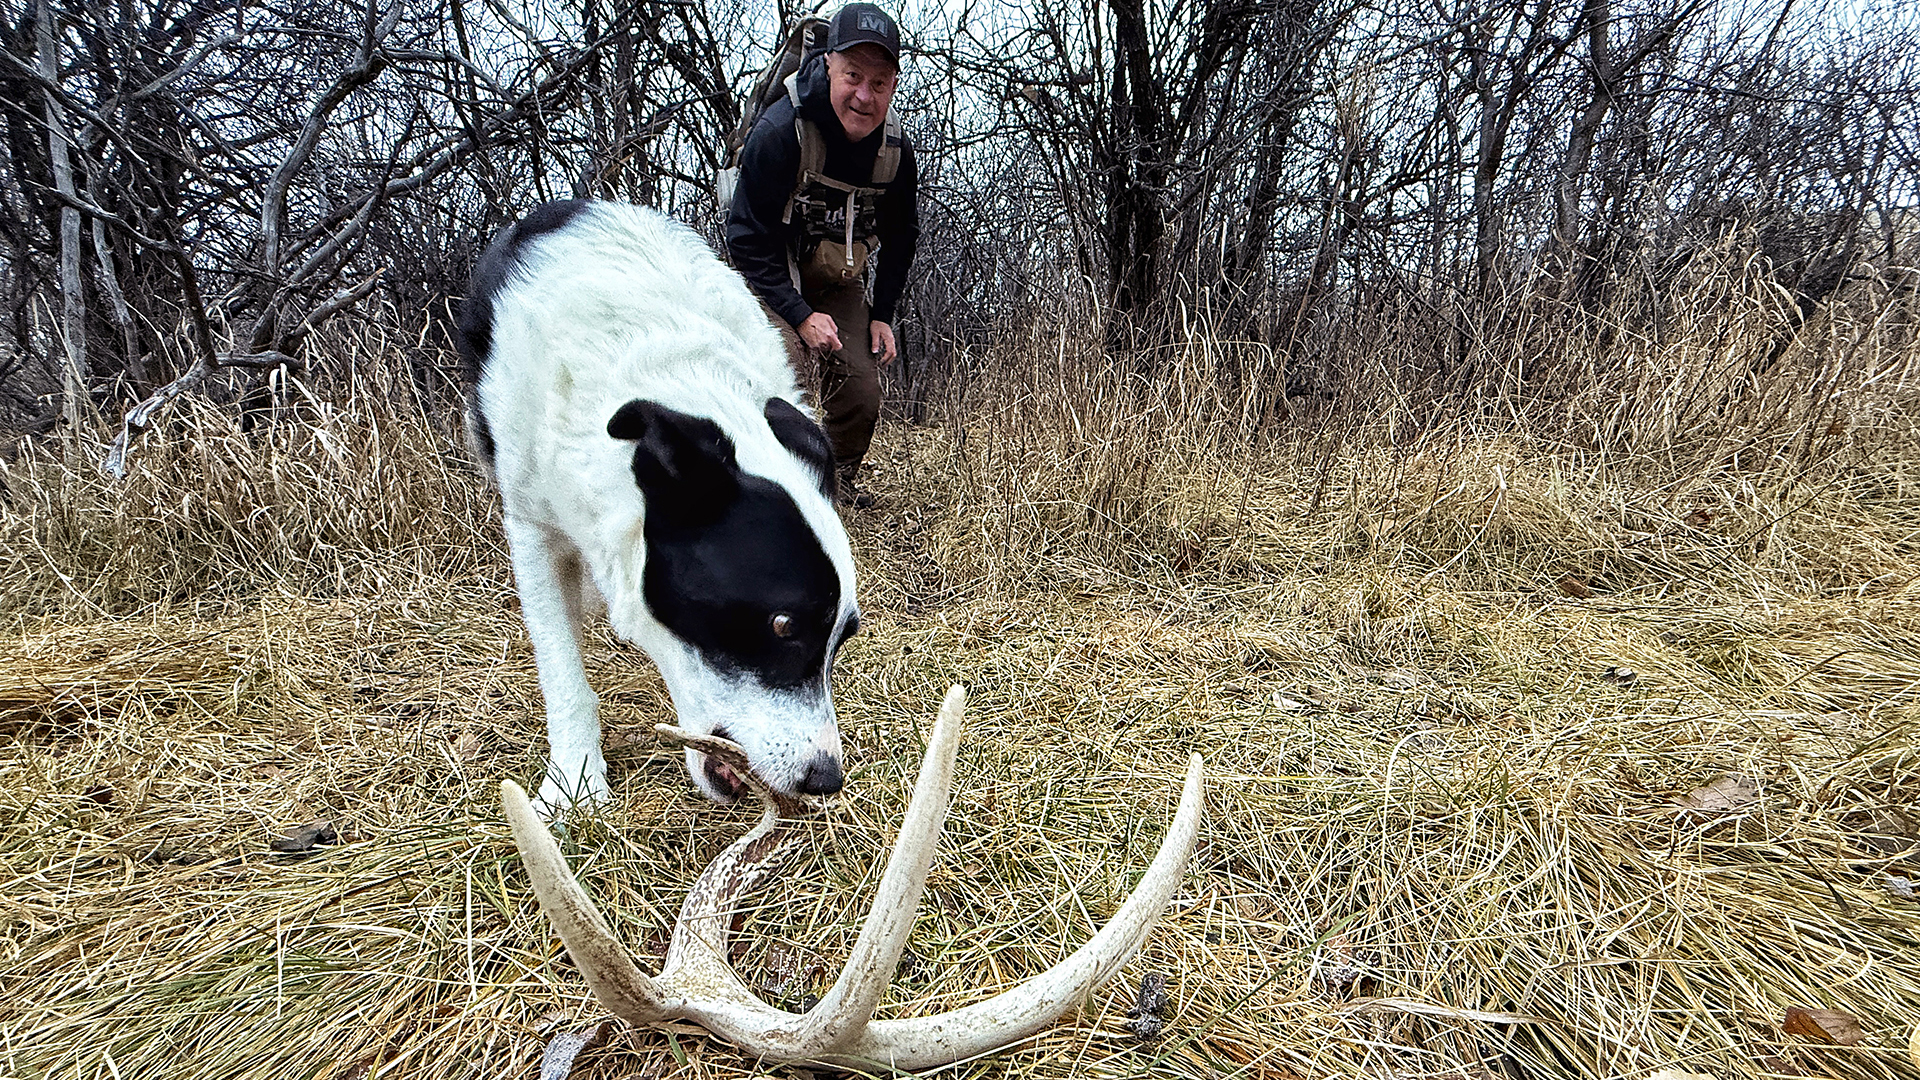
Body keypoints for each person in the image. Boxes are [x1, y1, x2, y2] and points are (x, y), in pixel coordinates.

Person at [726, 2, 918, 508]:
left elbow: (902, 235)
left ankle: (834, 483)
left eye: (879, 83)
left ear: (894, 85)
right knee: (779, 377)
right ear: (828, 64)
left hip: (837, 275)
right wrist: (799, 315)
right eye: (853, 75)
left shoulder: (895, 152)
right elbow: (744, 237)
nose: (864, 95)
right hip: (769, 275)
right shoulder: (780, 130)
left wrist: (881, 316)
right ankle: (767, 490)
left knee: (861, 392)